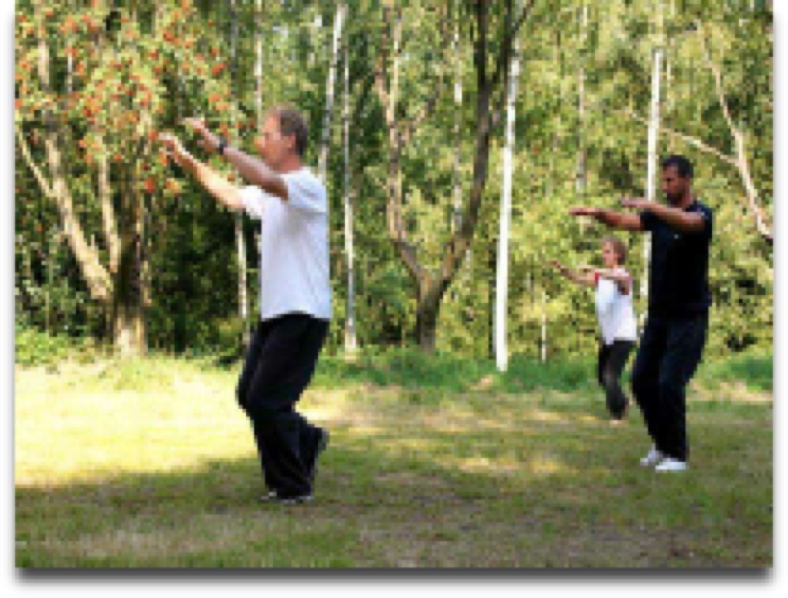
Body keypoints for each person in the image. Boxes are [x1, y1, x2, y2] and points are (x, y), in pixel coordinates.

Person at [158, 105, 332, 503]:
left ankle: (293, 486)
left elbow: (266, 179)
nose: (261, 142)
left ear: (290, 140)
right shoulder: (270, 194)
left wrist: (221, 145)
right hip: (276, 312)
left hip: (303, 312)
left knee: (268, 400)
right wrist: (186, 159)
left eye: (267, 135)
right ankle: (306, 441)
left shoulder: (307, 187)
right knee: (249, 396)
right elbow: (231, 193)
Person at [569, 155, 713, 473]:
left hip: (689, 317)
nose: (665, 186)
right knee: (641, 380)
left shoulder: (701, 215)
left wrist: (651, 204)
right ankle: (662, 444)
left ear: (687, 180)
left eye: (670, 180)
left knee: (670, 383)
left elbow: (688, 224)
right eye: (663, 181)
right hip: (659, 316)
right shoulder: (659, 218)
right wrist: (597, 214)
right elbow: (623, 222)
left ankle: (677, 455)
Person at [551, 235, 637, 423]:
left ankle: (618, 416)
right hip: (609, 336)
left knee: (610, 375)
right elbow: (579, 279)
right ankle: (623, 402)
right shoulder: (601, 278)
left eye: (607, 252)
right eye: (603, 251)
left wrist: (594, 269)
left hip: (624, 334)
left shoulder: (624, 276)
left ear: (618, 255)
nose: (603, 255)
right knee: (601, 376)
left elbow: (618, 279)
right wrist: (565, 272)